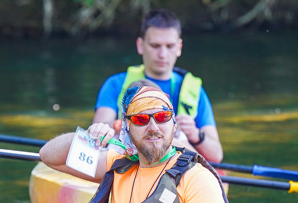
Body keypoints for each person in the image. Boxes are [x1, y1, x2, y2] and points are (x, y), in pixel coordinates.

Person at [40, 85, 231, 203]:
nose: (153, 127)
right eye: (141, 120)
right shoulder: (116, 164)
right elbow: (48, 155)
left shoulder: (197, 176)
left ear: (174, 124)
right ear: (128, 128)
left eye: (162, 117)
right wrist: (87, 137)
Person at [93, 8, 224, 163]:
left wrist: (196, 135)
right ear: (140, 45)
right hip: (129, 161)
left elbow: (216, 156)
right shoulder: (116, 84)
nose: (162, 54)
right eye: (155, 46)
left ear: (179, 47)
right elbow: (98, 133)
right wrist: (125, 125)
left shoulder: (195, 91)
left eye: (169, 46)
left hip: (175, 166)